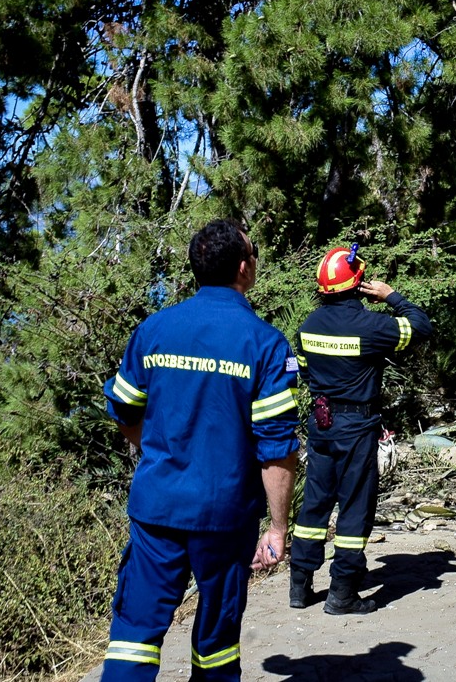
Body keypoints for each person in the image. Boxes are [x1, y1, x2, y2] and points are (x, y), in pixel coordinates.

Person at [100, 219, 300, 681]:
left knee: (133, 633)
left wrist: (159, 450)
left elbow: (124, 410)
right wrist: (277, 527)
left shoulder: (154, 329)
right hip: (225, 516)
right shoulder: (265, 343)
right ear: (244, 269)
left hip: (157, 508)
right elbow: (276, 447)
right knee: (216, 639)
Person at [289, 244, 434, 614]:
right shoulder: (373, 326)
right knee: (354, 507)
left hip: (320, 424)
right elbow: (422, 326)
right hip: (356, 425)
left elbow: (305, 372)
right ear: (359, 284)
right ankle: (342, 594)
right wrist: (391, 296)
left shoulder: (308, 327)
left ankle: (300, 588)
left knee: (315, 505)